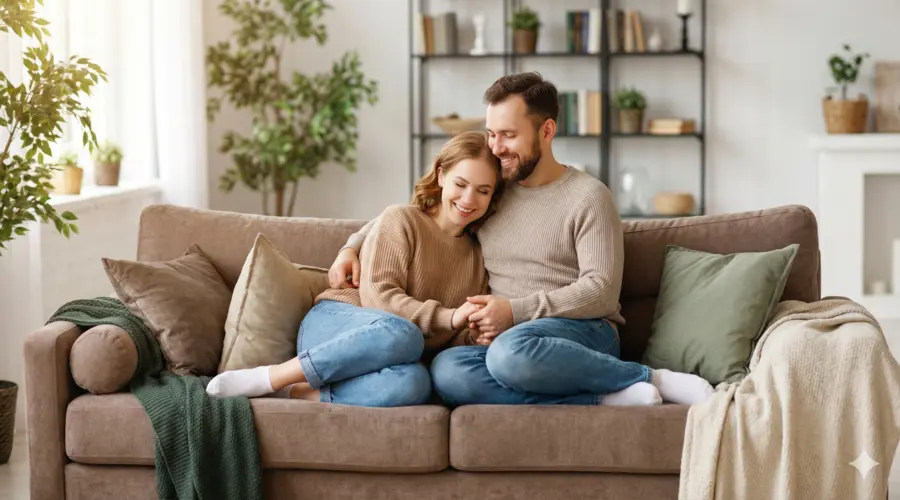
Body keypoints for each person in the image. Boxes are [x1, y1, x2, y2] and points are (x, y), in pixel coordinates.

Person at [328, 72, 715, 407]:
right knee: (448, 372)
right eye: (492, 133)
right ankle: (602, 395)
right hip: (505, 342)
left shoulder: (589, 196)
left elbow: (601, 291)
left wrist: (514, 311)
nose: (496, 148)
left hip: (580, 332)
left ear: (546, 131)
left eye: (509, 135)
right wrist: (352, 244)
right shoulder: (491, 191)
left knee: (511, 354)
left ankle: (650, 378)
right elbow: (423, 212)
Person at [206, 130, 505, 407]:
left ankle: (297, 391)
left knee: (416, 383)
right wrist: (450, 316)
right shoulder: (402, 220)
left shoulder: (479, 257)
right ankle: (274, 376)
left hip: (394, 355)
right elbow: (379, 299)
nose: (468, 199)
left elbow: (451, 336)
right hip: (337, 328)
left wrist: (473, 336)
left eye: (482, 190)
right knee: (405, 334)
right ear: (441, 175)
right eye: (461, 184)